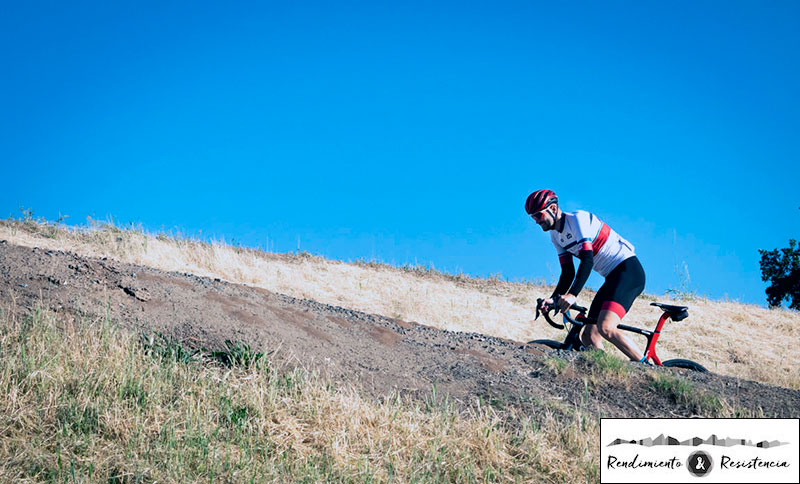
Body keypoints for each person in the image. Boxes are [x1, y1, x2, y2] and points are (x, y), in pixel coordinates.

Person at [526, 189, 646, 361]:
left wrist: (572, 295)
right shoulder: (555, 235)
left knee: (606, 328)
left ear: (552, 209)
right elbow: (568, 272)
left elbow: (587, 260)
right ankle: (608, 373)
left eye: (538, 215)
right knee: (589, 337)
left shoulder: (578, 219)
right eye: (532, 217)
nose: (536, 221)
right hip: (612, 278)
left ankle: (650, 371)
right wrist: (554, 298)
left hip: (628, 272)